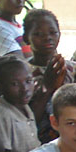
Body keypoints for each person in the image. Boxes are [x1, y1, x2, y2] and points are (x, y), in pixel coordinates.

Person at [0, 55, 40, 152]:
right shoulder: (2, 114)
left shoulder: (26, 108)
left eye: (28, 81)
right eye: (15, 84)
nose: (25, 89)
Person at [22, 8, 68, 143]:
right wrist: (47, 87)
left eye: (53, 32)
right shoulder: (23, 73)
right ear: (26, 38)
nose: (47, 37)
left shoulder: (72, 69)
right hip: (37, 142)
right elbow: (26, 121)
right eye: (38, 34)